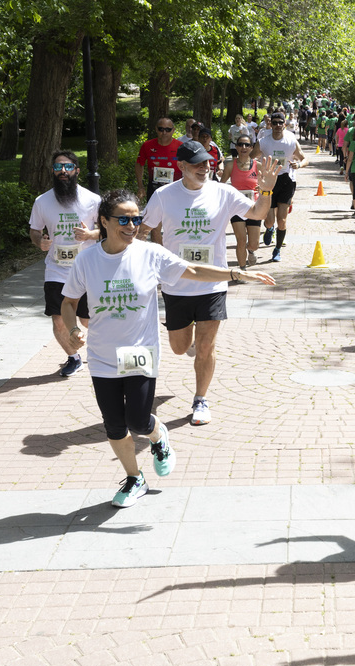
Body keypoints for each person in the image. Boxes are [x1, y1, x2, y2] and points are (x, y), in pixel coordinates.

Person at [62, 188, 275, 507]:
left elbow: (192, 271)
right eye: (123, 219)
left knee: (137, 420)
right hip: (103, 356)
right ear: (104, 221)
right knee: (114, 425)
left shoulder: (149, 254)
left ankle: (158, 436)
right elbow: (68, 301)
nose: (132, 225)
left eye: (136, 219)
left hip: (139, 351)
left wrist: (235, 273)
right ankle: (135, 479)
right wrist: (72, 328)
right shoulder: (88, 259)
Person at [140, 143, 279, 425]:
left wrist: (266, 190)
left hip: (213, 284)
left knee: (205, 348)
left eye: (207, 163)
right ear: (181, 166)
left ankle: (200, 400)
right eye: (197, 164)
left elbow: (258, 214)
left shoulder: (223, 192)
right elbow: (142, 229)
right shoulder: (164, 196)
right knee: (180, 348)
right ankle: (190, 343)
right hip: (177, 283)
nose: (205, 168)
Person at [29, 150, 102, 377]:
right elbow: (34, 230)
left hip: (87, 269)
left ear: (77, 171)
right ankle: (73, 357)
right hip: (56, 269)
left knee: (88, 321)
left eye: (68, 167)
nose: (63, 171)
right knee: (59, 319)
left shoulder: (93, 200)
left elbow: (108, 231)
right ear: (52, 171)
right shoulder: (42, 202)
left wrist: (90, 235)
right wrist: (39, 241)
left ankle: (101, 352)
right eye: (58, 167)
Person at [251, 111, 308, 262]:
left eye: (280, 123)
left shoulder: (291, 140)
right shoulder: (263, 142)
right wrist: (257, 175)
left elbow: (304, 158)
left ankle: (277, 250)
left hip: (286, 181)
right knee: (269, 220)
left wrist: (299, 164)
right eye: (274, 122)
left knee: (282, 220)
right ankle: (269, 228)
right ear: (270, 124)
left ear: (284, 124)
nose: (277, 126)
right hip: (269, 182)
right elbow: (250, 159)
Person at [222, 132, 262, 268]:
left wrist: (261, 187)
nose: (243, 147)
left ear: (251, 148)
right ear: (236, 147)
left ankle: (250, 250)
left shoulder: (258, 165)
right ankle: (242, 270)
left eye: (247, 144)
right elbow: (221, 187)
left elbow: (268, 184)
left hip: (253, 208)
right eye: (240, 144)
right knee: (240, 240)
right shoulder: (230, 166)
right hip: (236, 208)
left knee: (254, 244)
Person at [135, 117, 182, 200]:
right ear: (156, 129)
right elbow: (139, 164)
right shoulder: (147, 145)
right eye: (161, 129)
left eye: (168, 129)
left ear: (173, 130)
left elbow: (189, 166)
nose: (164, 132)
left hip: (176, 188)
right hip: (154, 188)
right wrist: (140, 187)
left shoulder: (181, 146)